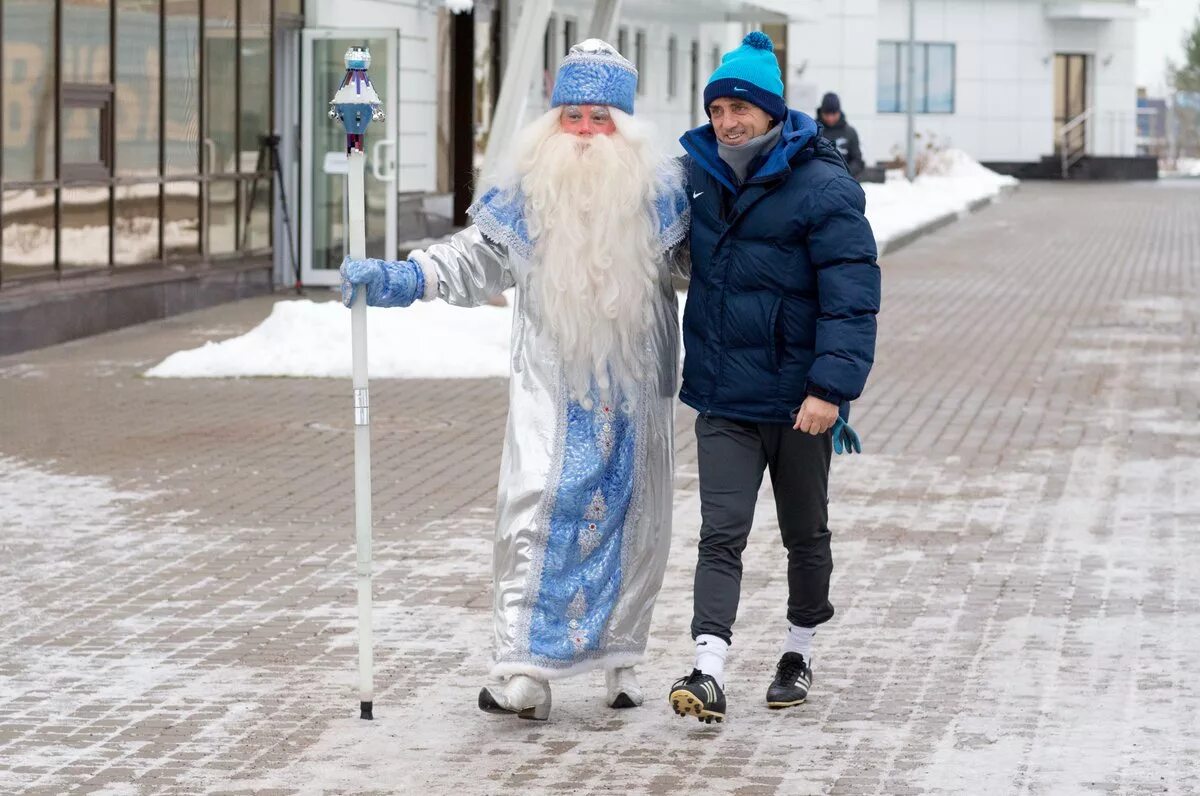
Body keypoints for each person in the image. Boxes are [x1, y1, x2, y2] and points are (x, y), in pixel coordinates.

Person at [340, 39, 689, 722]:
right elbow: (477, 258)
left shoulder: (661, 197)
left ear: (625, 125)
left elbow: (704, 267)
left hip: (635, 397)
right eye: (574, 117)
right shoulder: (528, 195)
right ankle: (524, 670)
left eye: (601, 118)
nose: (585, 133)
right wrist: (407, 277)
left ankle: (619, 656)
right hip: (554, 395)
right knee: (533, 514)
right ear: (553, 120)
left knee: (636, 526)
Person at [668, 32, 880, 724]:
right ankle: (707, 670)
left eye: (741, 109)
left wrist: (830, 390)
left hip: (798, 403)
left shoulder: (823, 186)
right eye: (719, 108)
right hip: (725, 395)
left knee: (804, 533)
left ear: (771, 111)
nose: (728, 122)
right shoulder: (696, 175)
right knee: (719, 533)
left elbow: (852, 294)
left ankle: (798, 649)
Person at [816, 92, 865, 179]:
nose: (830, 118)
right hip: (818, 180)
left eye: (834, 114)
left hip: (844, 181)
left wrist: (845, 173)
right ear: (821, 112)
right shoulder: (814, 130)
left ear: (839, 112)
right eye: (827, 114)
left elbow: (857, 160)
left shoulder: (850, 132)